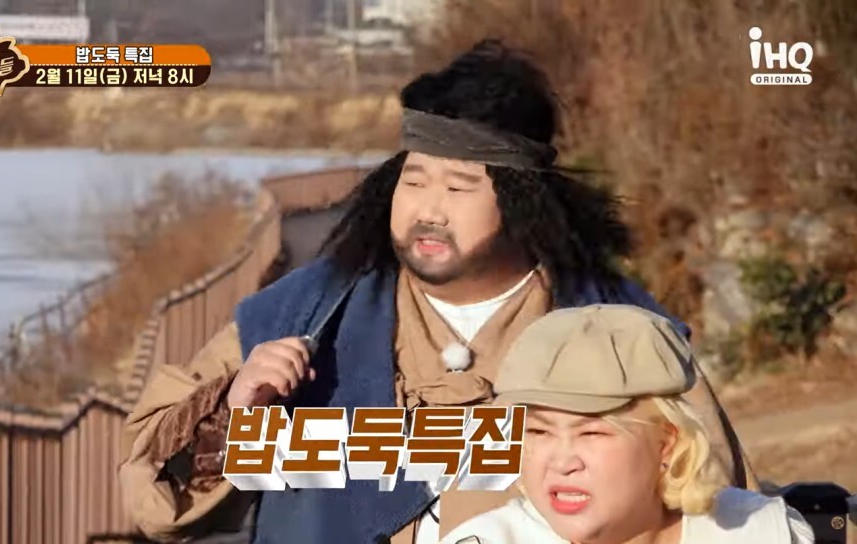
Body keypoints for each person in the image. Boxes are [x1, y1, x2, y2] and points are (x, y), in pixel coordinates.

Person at [118, 39, 753, 544]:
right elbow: (150, 491)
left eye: (458, 188)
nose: (428, 210)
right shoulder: (308, 310)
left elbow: (709, 492)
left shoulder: (619, 329)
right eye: (415, 181)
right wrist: (235, 412)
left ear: (521, 201)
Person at [441, 304, 813, 544]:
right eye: (537, 431)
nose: (562, 462)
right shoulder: (489, 539)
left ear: (667, 443)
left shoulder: (756, 532)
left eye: (592, 432)